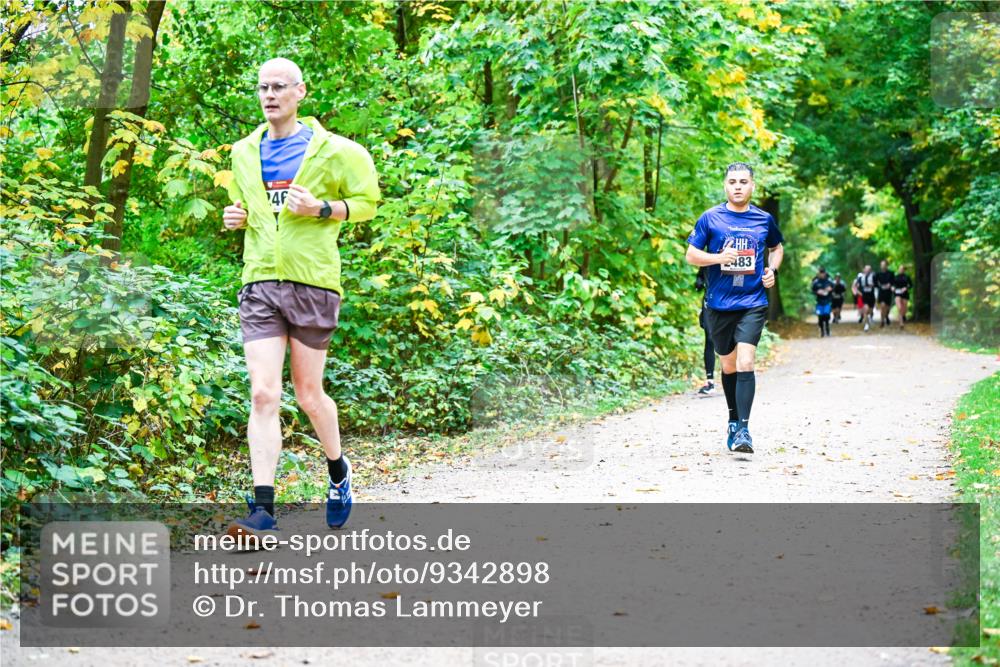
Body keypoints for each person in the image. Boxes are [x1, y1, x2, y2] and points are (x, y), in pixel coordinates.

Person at [221, 58, 380, 537]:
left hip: (313, 283)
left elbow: (368, 204)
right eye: (262, 87)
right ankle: (263, 509)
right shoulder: (243, 152)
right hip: (260, 282)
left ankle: (338, 473)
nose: (270, 95)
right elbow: (256, 210)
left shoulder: (338, 151)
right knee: (263, 393)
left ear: (300, 92)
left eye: (279, 87)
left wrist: (323, 208)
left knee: (310, 396)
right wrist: (239, 217)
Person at [685, 162, 784, 455]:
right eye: (732, 182)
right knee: (727, 365)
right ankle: (731, 419)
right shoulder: (710, 218)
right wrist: (719, 258)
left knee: (746, 362)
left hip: (752, 302)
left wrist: (772, 270)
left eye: (743, 181)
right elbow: (691, 255)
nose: (737, 186)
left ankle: (743, 428)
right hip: (718, 305)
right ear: (725, 186)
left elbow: (776, 248)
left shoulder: (764, 220)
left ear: (752, 186)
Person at [695, 267, 716, 395]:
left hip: (731, 301)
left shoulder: (736, 252)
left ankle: (740, 374)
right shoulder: (708, 256)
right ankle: (710, 382)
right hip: (710, 301)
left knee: (733, 338)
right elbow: (700, 275)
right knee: (709, 338)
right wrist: (699, 282)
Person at [811, 268, 834, 337]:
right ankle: (822, 331)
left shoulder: (829, 281)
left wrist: (830, 289)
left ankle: (827, 328)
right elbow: (812, 290)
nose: (821, 275)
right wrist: (817, 292)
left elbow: (834, 287)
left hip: (827, 301)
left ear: (825, 273)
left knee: (826, 315)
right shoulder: (816, 282)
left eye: (823, 273)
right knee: (820, 317)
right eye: (820, 273)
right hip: (819, 302)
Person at [853, 265, 875, 331]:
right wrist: (858, 292)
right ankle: (866, 324)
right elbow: (854, 286)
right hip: (864, 296)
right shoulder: (860, 277)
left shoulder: (873, 277)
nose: (867, 270)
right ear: (864, 270)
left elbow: (878, 284)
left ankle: (870, 317)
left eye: (869, 269)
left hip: (871, 296)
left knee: (870, 310)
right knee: (866, 310)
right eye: (866, 269)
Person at [874, 259, 895, 328]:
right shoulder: (877, 274)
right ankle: (882, 321)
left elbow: (894, 282)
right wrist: (879, 285)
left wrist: (891, 285)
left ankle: (886, 315)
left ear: (887, 265)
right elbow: (875, 282)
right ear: (880, 266)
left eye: (884, 265)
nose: (883, 266)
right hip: (881, 292)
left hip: (888, 292)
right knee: (882, 306)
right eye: (882, 265)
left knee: (888, 307)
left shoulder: (891, 273)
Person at [894, 265, 913, 329]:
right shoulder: (896, 277)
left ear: (904, 270)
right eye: (899, 269)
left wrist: (906, 288)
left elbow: (911, 285)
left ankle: (903, 315)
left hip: (905, 294)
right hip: (897, 293)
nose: (900, 270)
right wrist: (893, 288)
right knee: (899, 307)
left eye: (902, 269)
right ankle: (901, 323)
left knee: (904, 308)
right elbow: (892, 284)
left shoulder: (907, 277)